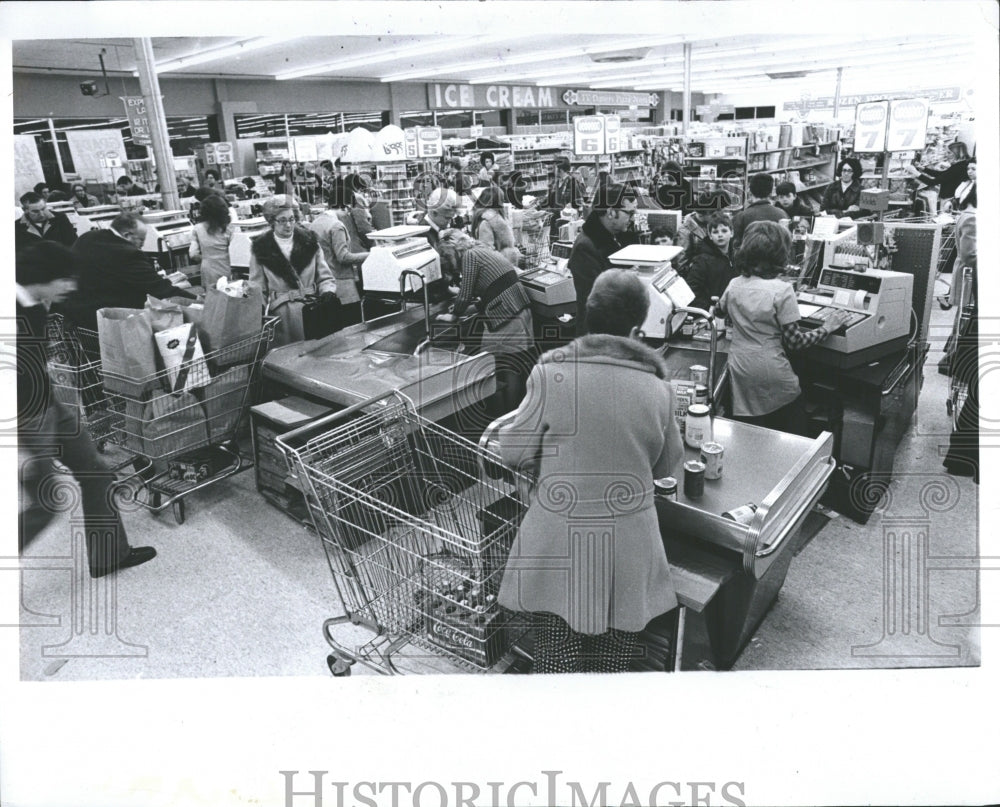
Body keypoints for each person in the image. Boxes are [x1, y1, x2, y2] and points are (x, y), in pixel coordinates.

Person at [496, 269, 684, 673]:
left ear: (588, 314)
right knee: (614, 656)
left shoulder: (551, 375)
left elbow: (512, 452)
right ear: (637, 326)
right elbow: (668, 465)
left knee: (557, 653)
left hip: (558, 538)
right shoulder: (659, 389)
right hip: (628, 544)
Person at [16, 242, 156, 578]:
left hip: (47, 403)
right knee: (45, 504)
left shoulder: (33, 302)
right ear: (43, 277)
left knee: (96, 472)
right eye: (65, 278)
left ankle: (109, 555)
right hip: (25, 416)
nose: (72, 285)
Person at [718, 221, 850, 435]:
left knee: (751, 434)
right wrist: (827, 327)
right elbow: (795, 342)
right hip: (771, 370)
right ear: (780, 253)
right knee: (791, 427)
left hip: (739, 368)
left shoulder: (734, 284)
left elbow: (719, 311)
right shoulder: (783, 290)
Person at [436, 229, 534, 414]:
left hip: (507, 315)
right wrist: (473, 308)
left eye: (447, 257)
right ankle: (512, 414)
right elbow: (492, 288)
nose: (450, 263)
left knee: (493, 364)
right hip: (518, 309)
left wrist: (454, 315)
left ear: (453, 250)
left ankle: (502, 415)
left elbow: (466, 292)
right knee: (509, 365)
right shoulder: (481, 249)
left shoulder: (470, 256)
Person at [69, 212, 195, 328]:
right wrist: (198, 301)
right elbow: (161, 289)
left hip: (77, 315)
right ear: (127, 235)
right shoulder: (127, 254)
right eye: (141, 240)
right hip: (112, 321)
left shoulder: (87, 237)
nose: (143, 245)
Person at [249, 195, 336, 346]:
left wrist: (328, 292)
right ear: (271, 221)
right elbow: (258, 288)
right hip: (282, 316)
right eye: (282, 220)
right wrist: (257, 316)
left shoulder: (310, 242)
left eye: (291, 219)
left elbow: (325, 277)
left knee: (318, 355)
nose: (288, 225)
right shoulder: (261, 249)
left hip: (313, 308)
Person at [567, 182, 638, 336]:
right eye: (630, 213)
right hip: (597, 335)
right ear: (611, 212)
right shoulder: (585, 248)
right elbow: (597, 300)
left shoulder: (613, 236)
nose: (633, 218)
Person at [309, 192, 373, 328]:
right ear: (345, 207)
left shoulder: (316, 222)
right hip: (344, 284)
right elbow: (343, 257)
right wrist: (371, 254)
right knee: (353, 325)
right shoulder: (336, 226)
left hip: (325, 282)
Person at [672, 188, 732, 277]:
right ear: (701, 214)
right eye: (713, 214)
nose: (716, 216)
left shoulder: (711, 223)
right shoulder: (685, 231)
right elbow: (681, 266)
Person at [686, 210, 735, 312]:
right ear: (710, 236)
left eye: (724, 231)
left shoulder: (738, 256)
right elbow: (692, 290)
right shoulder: (702, 260)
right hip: (712, 312)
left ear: (732, 233)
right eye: (715, 232)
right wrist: (708, 307)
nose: (720, 235)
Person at [188, 192, 235, 289]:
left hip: (209, 271)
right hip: (228, 268)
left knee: (212, 299)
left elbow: (193, 254)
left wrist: (206, 258)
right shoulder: (230, 228)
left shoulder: (197, 228)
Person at [732, 173, 788, 248]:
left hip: (749, 257)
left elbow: (735, 245)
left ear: (750, 191)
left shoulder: (741, 217)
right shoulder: (782, 214)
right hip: (776, 258)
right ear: (771, 193)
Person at [471, 183, 521, 265]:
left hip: (503, 265)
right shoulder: (487, 221)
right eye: (502, 199)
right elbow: (487, 252)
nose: (503, 202)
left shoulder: (494, 219)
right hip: (498, 268)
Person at [917, 140, 972, 206]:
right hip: (952, 198)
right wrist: (924, 169)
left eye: (949, 153)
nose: (947, 155)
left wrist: (916, 173)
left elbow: (932, 182)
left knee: (944, 215)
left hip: (949, 199)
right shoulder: (962, 164)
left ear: (957, 153)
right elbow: (942, 174)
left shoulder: (958, 167)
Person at [416, 187, 459, 252]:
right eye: (447, 218)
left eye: (452, 217)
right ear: (434, 213)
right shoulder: (421, 235)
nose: (450, 222)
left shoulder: (440, 228)